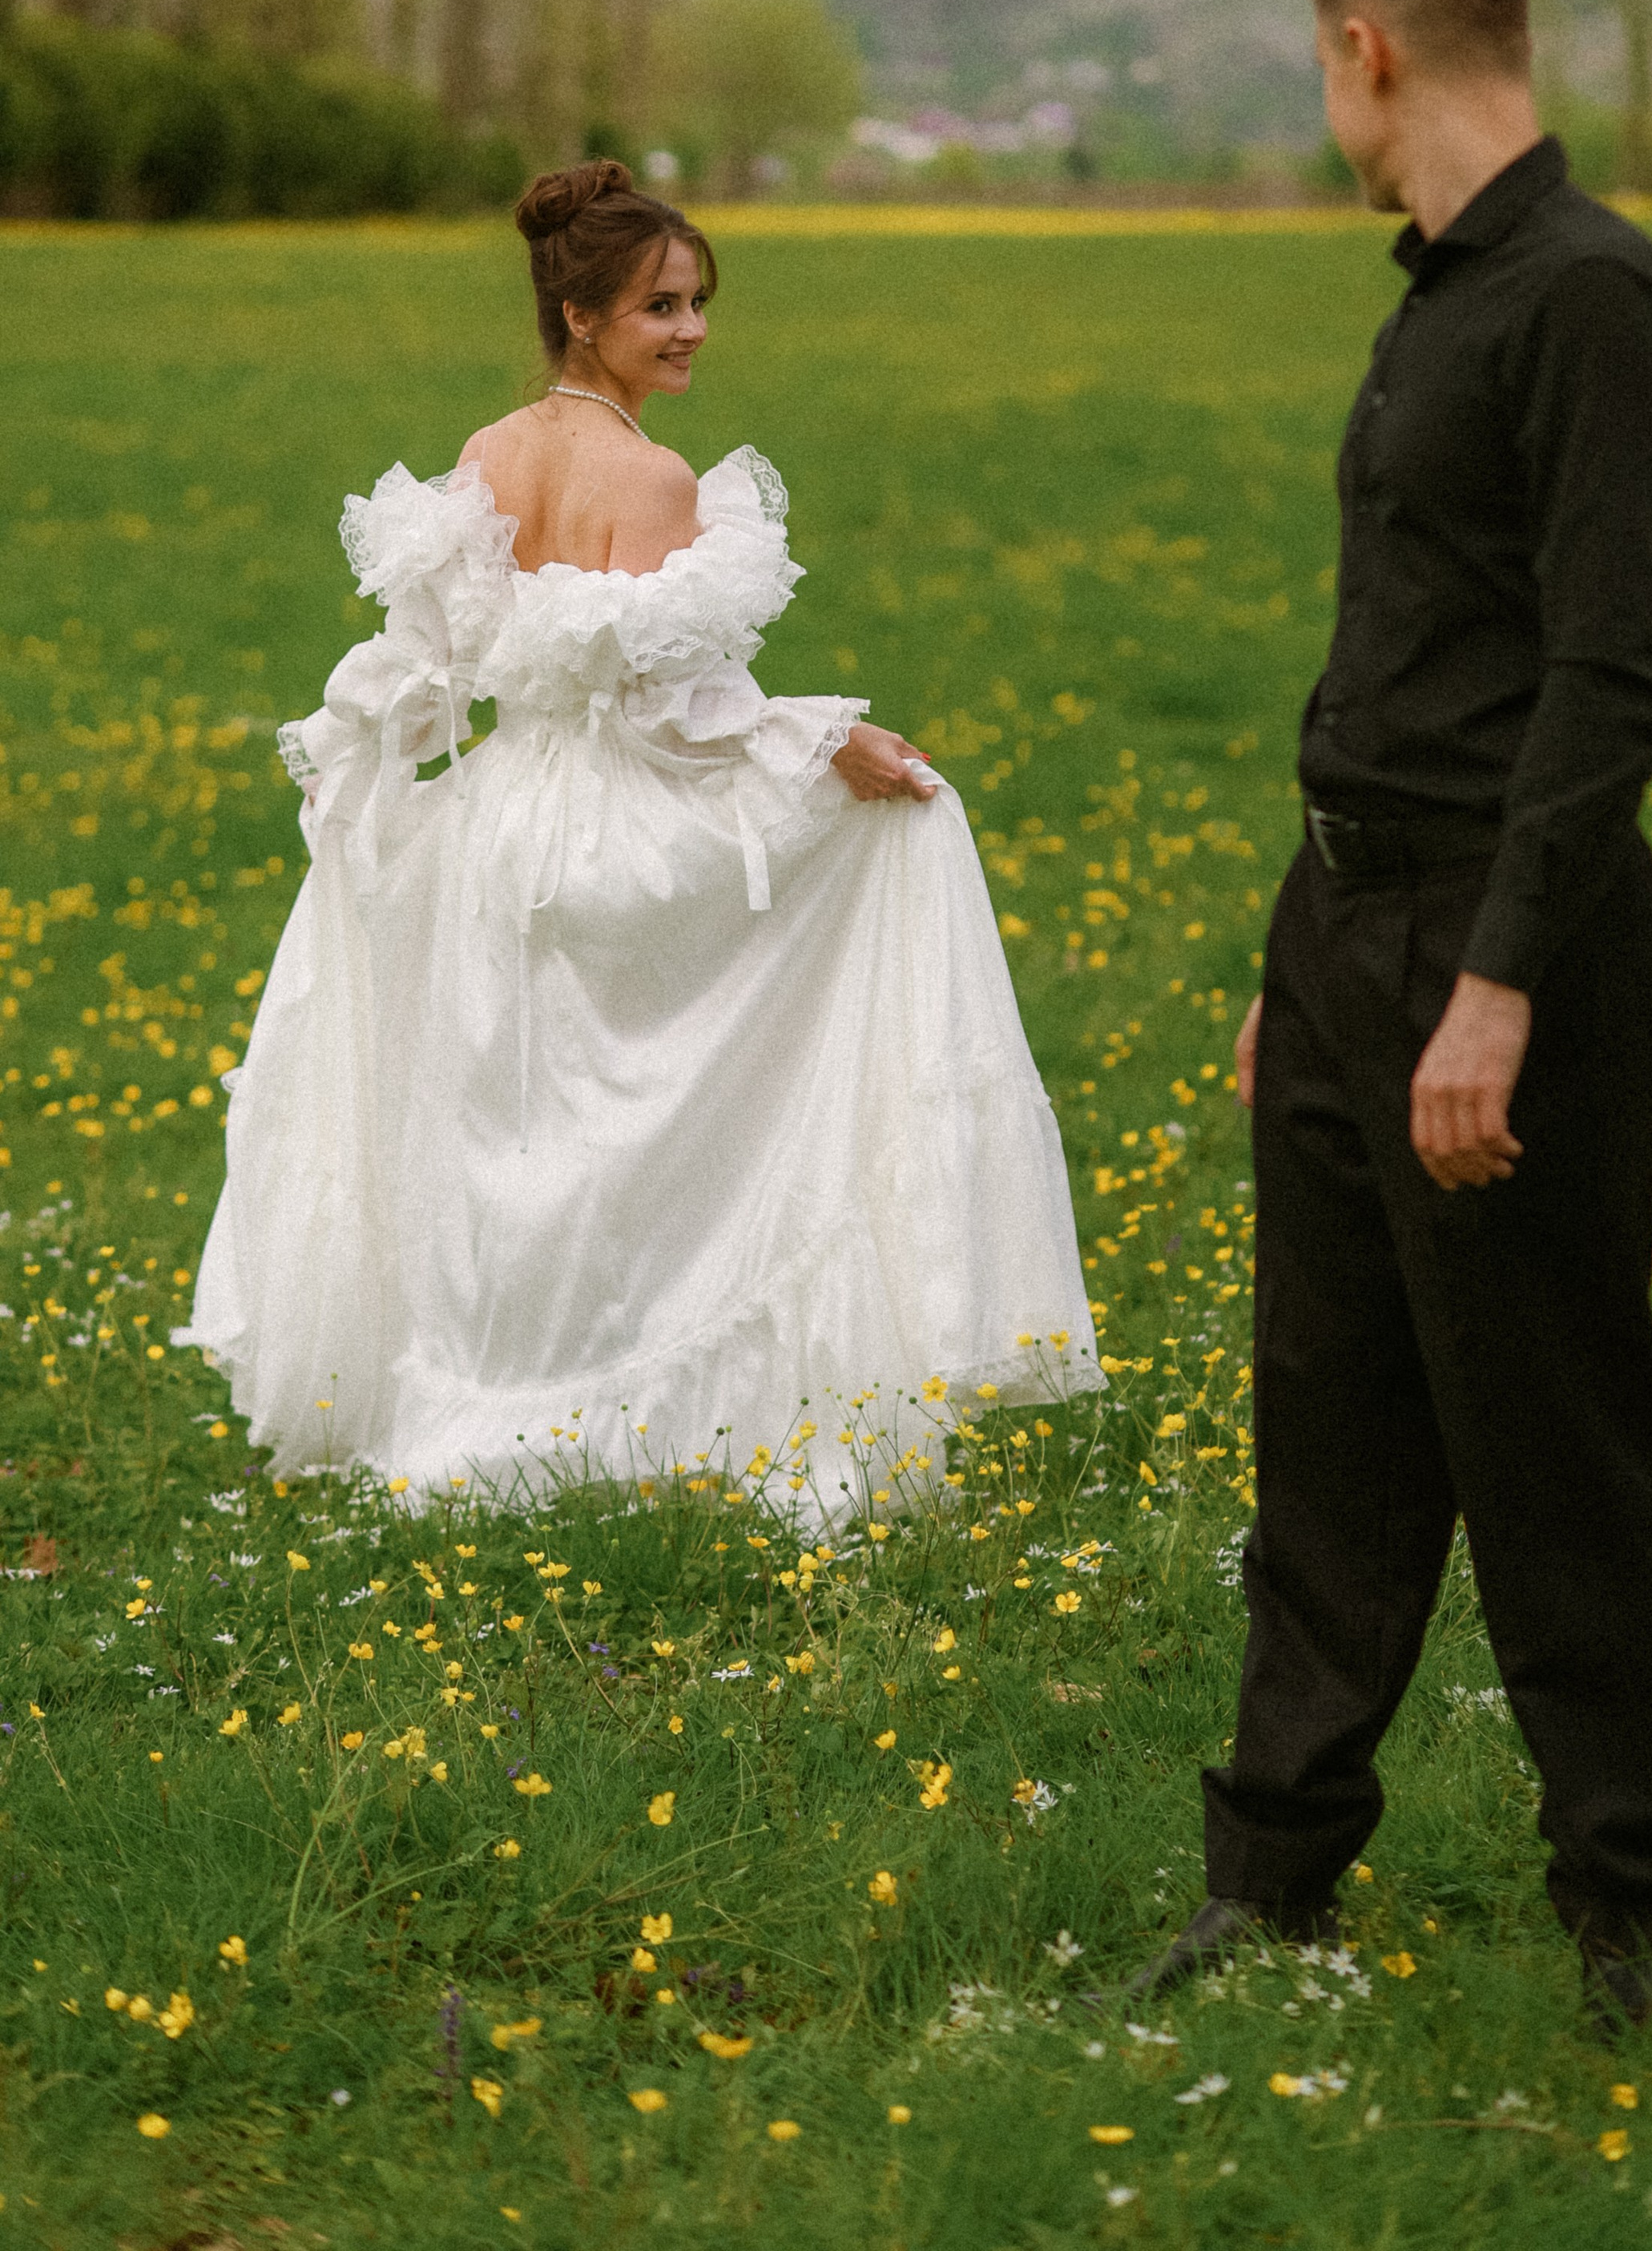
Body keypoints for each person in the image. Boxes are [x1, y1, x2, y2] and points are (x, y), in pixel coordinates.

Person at [1133, 0, 1652, 2029]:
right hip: (1347, 928)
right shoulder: (1440, 298)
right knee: (1330, 1425)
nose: (1330, 109)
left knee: (1551, 1434)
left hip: (1507, 945)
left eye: (1324, 71)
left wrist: (1495, 982)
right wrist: (1299, 952)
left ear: (1365, 49)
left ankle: (1631, 1910)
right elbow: (1405, 643)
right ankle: (1270, 1882)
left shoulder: (1593, 299)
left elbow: (1608, 671)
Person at [179, 159, 1098, 1509]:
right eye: (662, 306)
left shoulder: (488, 456)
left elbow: (428, 660)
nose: (692, 330)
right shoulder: (658, 480)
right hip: (614, 828)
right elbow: (676, 710)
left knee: (520, 1124)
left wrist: (356, 762)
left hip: (498, 828)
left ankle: (498, 1405)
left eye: (698, 303)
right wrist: (825, 743)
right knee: (635, 1116)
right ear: (582, 315)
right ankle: (637, 1404)